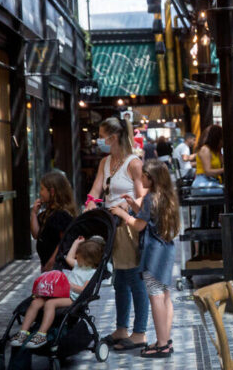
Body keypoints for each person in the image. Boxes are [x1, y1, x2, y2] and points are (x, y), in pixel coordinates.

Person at [85, 117, 149, 351]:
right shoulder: (105, 162)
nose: (99, 140)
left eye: (102, 135)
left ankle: (140, 332)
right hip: (112, 227)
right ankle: (122, 328)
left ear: (113, 137)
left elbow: (143, 196)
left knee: (133, 278)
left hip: (129, 227)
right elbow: (96, 189)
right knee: (119, 280)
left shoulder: (133, 163)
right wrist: (90, 204)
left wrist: (125, 206)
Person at [111, 160, 180, 358]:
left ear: (152, 178)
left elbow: (140, 225)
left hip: (154, 251)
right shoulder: (166, 195)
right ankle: (164, 340)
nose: (140, 179)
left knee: (156, 295)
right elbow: (150, 217)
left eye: (143, 176)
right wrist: (133, 204)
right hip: (166, 249)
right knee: (165, 294)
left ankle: (162, 344)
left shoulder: (151, 197)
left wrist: (123, 213)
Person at [9, 236, 104, 348]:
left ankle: (41, 334)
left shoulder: (91, 272)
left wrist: (71, 286)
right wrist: (75, 243)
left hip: (73, 297)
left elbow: (85, 290)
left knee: (50, 303)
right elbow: (68, 258)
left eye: (79, 255)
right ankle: (23, 332)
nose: (76, 256)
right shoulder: (79, 265)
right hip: (61, 292)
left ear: (89, 259)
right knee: (36, 302)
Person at [30, 171, 76, 272]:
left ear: (52, 192)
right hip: (47, 266)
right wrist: (33, 213)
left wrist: (51, 263)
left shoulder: (61, 215)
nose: (40, 193)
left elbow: (63, 242)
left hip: (58, 267)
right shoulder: (47, 213)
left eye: (42, 189)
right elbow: (36, 234)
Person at [190, 125, 224, 226]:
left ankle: (217, 222)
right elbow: (208, 171)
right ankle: (217, 225)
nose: (223, 141)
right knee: (227, 191)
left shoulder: (216, 151)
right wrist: (223, 170)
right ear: (216, 138)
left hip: (212, 183)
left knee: (225, 191)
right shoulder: (205, 150)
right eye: (222, 139)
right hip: (202, 183)